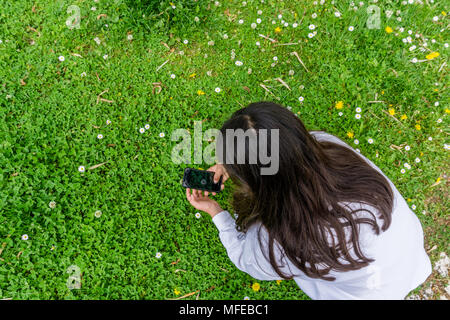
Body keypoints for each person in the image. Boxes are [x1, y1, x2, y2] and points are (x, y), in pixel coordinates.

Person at [185, 101, 432, 300]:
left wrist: (217, 213)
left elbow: (246, 259)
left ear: (257, 181)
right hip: (408, 255)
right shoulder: (330, 146)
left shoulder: (286, 240)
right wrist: (239, 163)